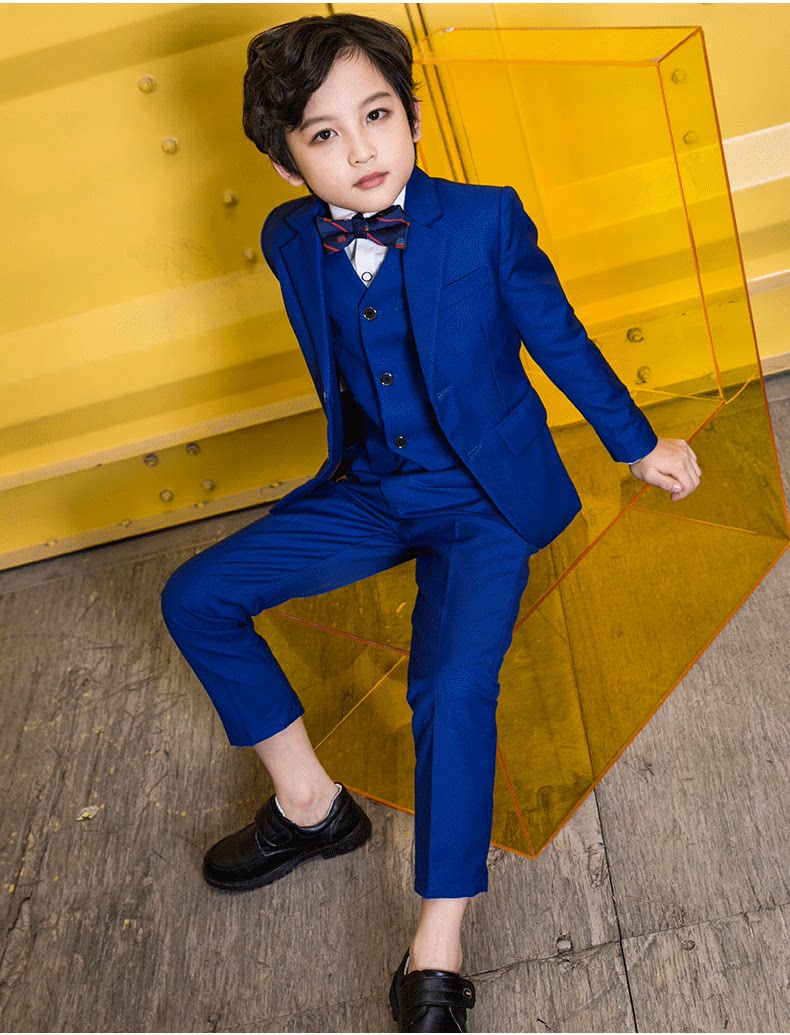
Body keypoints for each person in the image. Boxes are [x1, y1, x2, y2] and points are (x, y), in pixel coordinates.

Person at [160, 13, 701, 1032]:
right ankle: (311, 806)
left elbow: (559, 335)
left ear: (412, 116)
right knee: (195, 596)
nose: (361, 149)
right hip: (370, 486)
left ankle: (437, 937)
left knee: (449, 685)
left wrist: (636, 445)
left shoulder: (485, 220)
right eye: (324, 135)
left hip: (482, 501)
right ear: (283, 165)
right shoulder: (289, 239)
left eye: (377, 116)